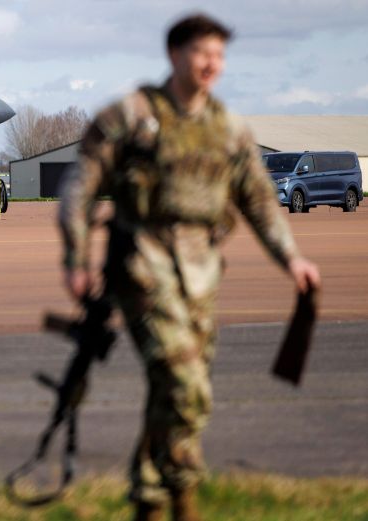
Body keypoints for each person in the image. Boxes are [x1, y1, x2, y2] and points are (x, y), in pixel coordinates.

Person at [58, 14, 321, 521]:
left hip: (201, 276)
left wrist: (292, 258)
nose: (211, 64)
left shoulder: (229, 130)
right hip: (143, 268)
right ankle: (184, 500)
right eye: (202, 52)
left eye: (219, 55)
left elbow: (259, 201)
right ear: (174, 54)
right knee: (186, 387)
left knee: (176, 392)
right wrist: (75, 259)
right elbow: (79, 187)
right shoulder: (132, 116)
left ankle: (149, 502)